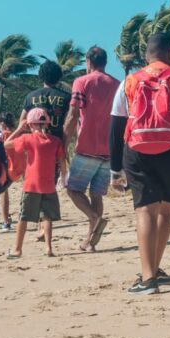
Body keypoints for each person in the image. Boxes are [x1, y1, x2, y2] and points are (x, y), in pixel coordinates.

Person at [109, 32, 170, 295]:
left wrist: (114, 169)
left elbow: (116, 126)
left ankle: (148, 278)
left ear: (146, 55)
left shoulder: (129, 81)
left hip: (137, 152)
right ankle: (155, 270)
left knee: (145, 211)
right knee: (166, 211)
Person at [63, 46, 121, 252]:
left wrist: (63, 142)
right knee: (96, 194)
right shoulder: (117, 84)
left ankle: (95, 218)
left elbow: (73, 115)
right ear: (105, 62)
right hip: (110, 149)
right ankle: (90, 242)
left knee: (72, 189)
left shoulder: (82, 82)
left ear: (88, 61)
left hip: (87, 146)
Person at [5, 108, 68, 258]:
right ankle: (48, 247)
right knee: (47, 217)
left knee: (24, 217)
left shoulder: (27, 138)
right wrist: (64, 177)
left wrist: (19, 128)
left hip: (31, 184)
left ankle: (17, 249)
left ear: (30, 124)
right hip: (48, 184)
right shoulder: (55, 141)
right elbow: (62, 161)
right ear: (46, 123)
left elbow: (6, 144)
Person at [21, 61, 71, 142]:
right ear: (58, 76)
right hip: (57, 144)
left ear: (41, 76)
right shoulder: (67, 97)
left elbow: (22, 122)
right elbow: (70, 121)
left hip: (36, 144)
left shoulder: (30, 96)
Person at [0, 112, 23, 230]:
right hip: (19, 167)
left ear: (2, 123)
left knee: (3, 193)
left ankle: (5, 221)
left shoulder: (2, 135)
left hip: (7, 168)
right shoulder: (17, 134)